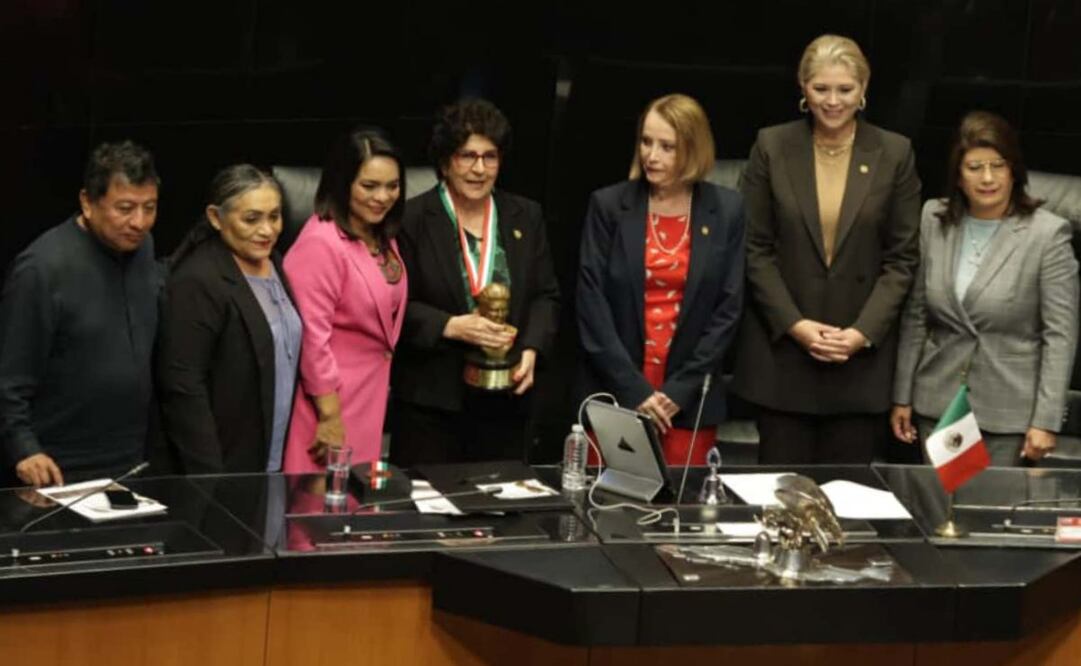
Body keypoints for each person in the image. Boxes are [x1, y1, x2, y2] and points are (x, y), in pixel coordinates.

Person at [732, 34, 922, 464]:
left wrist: (860, 334)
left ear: (863, 90)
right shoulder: (772, 146)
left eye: (844, 89)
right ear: (803, 88)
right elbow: (753, 249)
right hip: (784, 362)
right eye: (821, 88)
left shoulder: (894, 153)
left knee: (849, 513)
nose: (832, 100)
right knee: (778, 505)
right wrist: (795, 325)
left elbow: (902, 259)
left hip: (859, 365)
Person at [891, 111, 1079, 465]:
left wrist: (1046, 420)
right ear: (958, 176)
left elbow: (1060, 336)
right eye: (975, 167)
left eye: (998, 165)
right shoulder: (934, 219)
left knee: (987, 514)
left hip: (1009, 414)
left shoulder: (1048, 234)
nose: (988, 178)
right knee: (942, 513)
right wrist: (903, 396)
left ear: (1014, 171)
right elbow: (916, 315)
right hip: (941, 403)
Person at [577, 93, 745, 465]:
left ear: (693, 149)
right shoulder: (608, 206)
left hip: (687, 394)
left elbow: (728, 308)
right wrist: (634, 388)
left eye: (667, 147)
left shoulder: (727, 210)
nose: (652, 156)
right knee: (607, 506)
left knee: (679, 516)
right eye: (646, 142)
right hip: (617, 385)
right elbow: (592, 304)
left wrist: (678, 390)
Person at [391, 98, 560, 465]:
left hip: (506, 401)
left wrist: (531, 350)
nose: (479, 169)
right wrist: (451, 326)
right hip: (432, 406)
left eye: (490, 157)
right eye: (467, 156)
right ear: (445, 161)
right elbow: (390, 306)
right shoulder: (411, 219)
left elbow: (546, 296)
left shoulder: (525, 216)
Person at [0, 140, 162, 486]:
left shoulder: (144, 248)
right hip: (57, 469)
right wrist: (24, 449)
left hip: (131, 462)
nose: (140, 222)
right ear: (88, 203)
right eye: (125, 208)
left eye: (149, 208)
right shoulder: (41, 269)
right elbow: (9, 377)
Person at [157, 165, 301, 473]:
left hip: (276, 454)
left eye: (274, 216)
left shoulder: (273, 260)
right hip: (227, 462)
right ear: (215, 217)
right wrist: (211, 474)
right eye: (252, 219)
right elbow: (183, 387)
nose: (267, 230)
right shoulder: (198, 280)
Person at [283, 128, 407, 471]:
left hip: (368, 399)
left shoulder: (380, 234)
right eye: (369, 186)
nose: (382, 196)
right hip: (328, 408)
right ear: (342, 182)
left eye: (392, 186)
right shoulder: (321, 242)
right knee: (317, 515)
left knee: (354, 515)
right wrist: (330, 414)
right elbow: (311, 337)